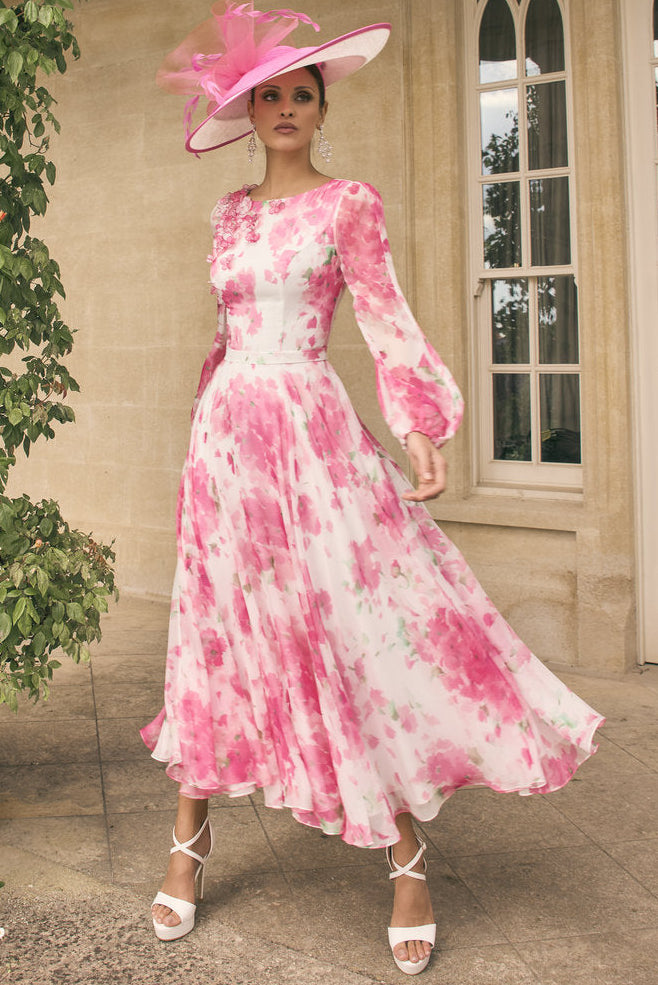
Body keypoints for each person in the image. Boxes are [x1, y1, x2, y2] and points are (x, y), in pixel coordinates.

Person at [141, 2, 604, 975]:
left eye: (300, 94)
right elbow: (224, 339)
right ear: (247, 108)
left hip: (310, 435)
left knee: (345, 629)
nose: (284, 107)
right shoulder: (227, 214)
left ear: (319, 110)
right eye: (268, 94)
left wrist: (420, 423)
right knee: (218, 630)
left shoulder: (345, 203)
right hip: (227, 443)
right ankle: (187, 841)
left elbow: (386, 317)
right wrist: (203, 436)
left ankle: (406, 861)